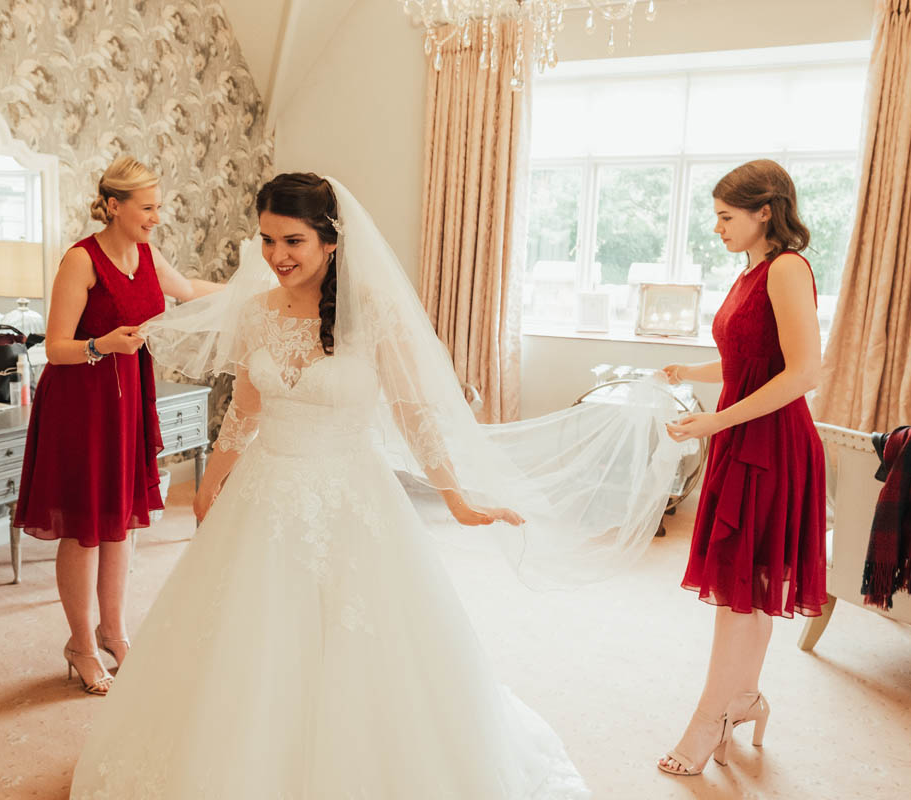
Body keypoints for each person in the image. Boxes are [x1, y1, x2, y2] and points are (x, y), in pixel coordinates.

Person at [68, 173, 621, 798]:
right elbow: (245, 409)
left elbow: (416, 415)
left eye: (293, 241)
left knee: (366, 647)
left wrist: (457, 498)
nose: (277, 257)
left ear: (331, 241)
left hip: (353, 497)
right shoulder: (256, 312)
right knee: (245, 644)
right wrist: (211, 479)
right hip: (264, 495)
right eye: (267, 240)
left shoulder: (374, 314)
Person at [13, 156, 222, 696]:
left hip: (128, 400)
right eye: (147, 207)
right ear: (114, 206)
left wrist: (255, 287)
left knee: (122, 523)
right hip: (80, 403)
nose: (157, 216)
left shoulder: (147, 254)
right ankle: (81, 643)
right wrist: (101, 345)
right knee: (86, 528)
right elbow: (53, 349)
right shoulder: (80, 261)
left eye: (158, 206)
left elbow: (191, 289)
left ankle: (114, 630)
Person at [658, 159, 826, 776]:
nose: (718, 228)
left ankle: (709, 720)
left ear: (765, 212)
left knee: (741, 595)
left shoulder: (787, 268)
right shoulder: (750, 271)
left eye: (727, 217)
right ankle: (745, 700)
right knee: (745, 591)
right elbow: (747, 358)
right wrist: (691, 374)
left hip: (771, 445)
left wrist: (714, 422)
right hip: (743, 436)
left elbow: (804, 372)